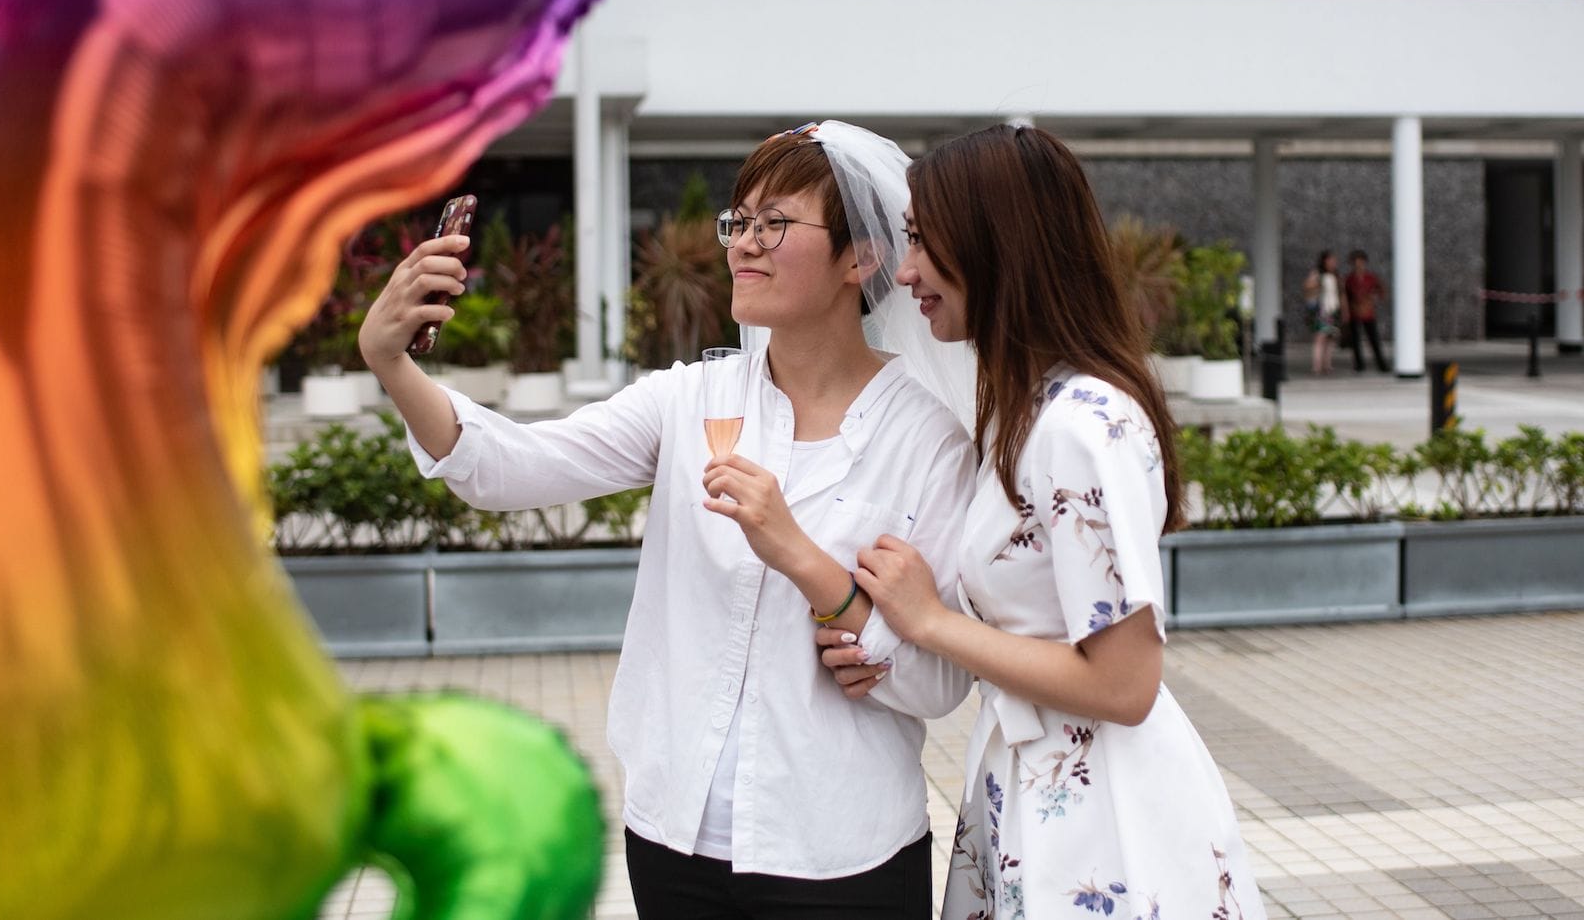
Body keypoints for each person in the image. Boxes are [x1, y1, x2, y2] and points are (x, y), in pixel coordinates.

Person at [357, 122, 977, 919]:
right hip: (674, 839)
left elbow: (938, 684)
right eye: (738, 221)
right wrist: (390, 362)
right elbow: (509, 467)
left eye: (774, 223)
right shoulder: (690, 400)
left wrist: (828, 588)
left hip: (841, 849)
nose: (744, 245)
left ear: (861, 256)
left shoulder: (927, 439)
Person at [816, 125, 1267, 920]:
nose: (907, 271)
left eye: (923, 242)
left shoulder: (1076, 427)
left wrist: (925, 622)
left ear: (999, 246)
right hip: (1041, 783)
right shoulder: (1028, 411)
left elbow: (1125, 684)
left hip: (1103, 822)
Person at [1344, 250, 1388, 372]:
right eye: (1356, 263)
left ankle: (1381, 363)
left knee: (1374, 339)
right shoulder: (1349, 279)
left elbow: (1381, 290)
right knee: (1355, 340)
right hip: (1354, 312)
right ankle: (1359, 364)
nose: (1359, 265)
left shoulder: (1371, 277)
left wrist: (1374, 298)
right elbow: (1345, 296)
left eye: (1361, 262)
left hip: (1368, 312)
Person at [1302, 250, 1342, 376]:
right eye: (1330, 260)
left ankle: (1327, 364)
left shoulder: (1336, 275)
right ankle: (1317, 365)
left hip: (1333, 309)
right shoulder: (1318, 274)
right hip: (1322, 310)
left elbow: (1341, 293)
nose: (1333, 263)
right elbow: (1307, 286)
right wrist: (1317, 284)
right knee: (1320, 337)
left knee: (1331, 338)